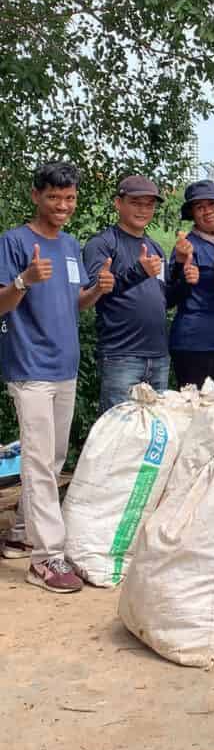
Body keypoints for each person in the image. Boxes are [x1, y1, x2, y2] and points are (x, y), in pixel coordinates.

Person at [0, 162, 113, 592]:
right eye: (53, 197)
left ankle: (21, 533)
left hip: (64, 366)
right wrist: (24, 280)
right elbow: (2, 304)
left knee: (53, 459)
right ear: (36, 196)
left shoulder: (69, 244)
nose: (62, 205)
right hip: (29, 368)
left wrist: (98, 290)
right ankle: (45, 558)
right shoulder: (13, 242)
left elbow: (75, 303)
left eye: (69, 198)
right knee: (37, 460)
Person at [83, 175, 170, 411]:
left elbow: (166, 299)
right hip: (121, 356)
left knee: (156, 433)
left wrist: (185, 273)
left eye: (149, 204)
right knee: (119, 433)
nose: (143, 210)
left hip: (159, 356)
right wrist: (137, 272)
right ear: (118, 203)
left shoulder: (155, 248)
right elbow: (94, 293)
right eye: (136, 203)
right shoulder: (102, 244)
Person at [166, 179, 214, 403]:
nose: (208, 211)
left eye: (212, 204)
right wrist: (184, 276)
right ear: (192, 214)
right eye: (200, 207)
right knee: (198, 416)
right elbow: (168, 297)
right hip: (196, 343)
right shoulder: (186, 247)